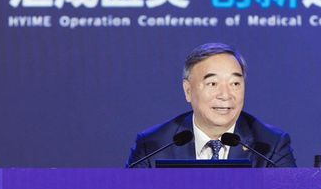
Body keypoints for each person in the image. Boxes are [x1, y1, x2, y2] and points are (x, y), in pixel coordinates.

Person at [126, 43, 296, 167]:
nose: (225, 95)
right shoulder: (154, 145)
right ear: (188, 90)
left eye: (235, 84)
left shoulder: (270, 145)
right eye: (212, 84)